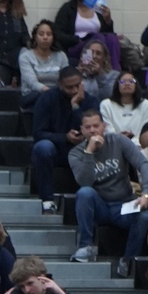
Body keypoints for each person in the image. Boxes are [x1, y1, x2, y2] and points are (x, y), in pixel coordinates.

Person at [68, 109, 148, 275]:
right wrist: (89, 153)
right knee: (84, 193)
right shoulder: (76, 153)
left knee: (144, 216)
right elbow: (85, 181)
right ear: (82, 130)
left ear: (104, 126)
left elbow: (143, 164)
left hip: (123, 204)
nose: (92, 130)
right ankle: (85, 247)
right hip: (100, 205)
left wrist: (146, 193)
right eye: (88, 127)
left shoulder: (118, 141)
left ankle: (128, 262)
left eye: (96, 126)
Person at [31, 66, 98, 215]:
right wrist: (64, 137)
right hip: (56, 149)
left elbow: (95, 130)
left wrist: (75, 106)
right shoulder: (47, 99)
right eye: (69, 87)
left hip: (83, 148)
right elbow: (38, 133)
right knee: (42, 147)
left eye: (77, 85)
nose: (74, 90)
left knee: (96, 144)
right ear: (60, 85)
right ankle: (47, 201)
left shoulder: (90, 101)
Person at [54, 0, 119, 69]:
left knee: (112, 38)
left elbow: (107, 34)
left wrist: (108, 20)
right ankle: (89, 68)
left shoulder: (99, 9)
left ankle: (115, 73)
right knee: (97, 38)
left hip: (98, 46)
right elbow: (58, 33)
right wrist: (77, 40)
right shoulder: (67, 9)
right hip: (76, 46)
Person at [18, 19, 68, 109]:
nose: (45, 37)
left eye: (49, 34)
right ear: (35, 37)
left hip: (56, 95)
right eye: (41, 34)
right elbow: (32, 83)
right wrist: (51, 93)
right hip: (32, 96)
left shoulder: (61, 56)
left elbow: (66, 78)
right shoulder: (25, 57)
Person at [100, 74, 148, 145]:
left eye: (131, 81)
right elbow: (108, 130)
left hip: (139, 145)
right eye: (122, 82)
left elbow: (145, 131)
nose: (127, 84)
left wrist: (133, 142)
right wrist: (120, 140)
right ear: (117, 85)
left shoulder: (145, 104)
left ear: (136, 85)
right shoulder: (106, 104)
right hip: (114, 145)